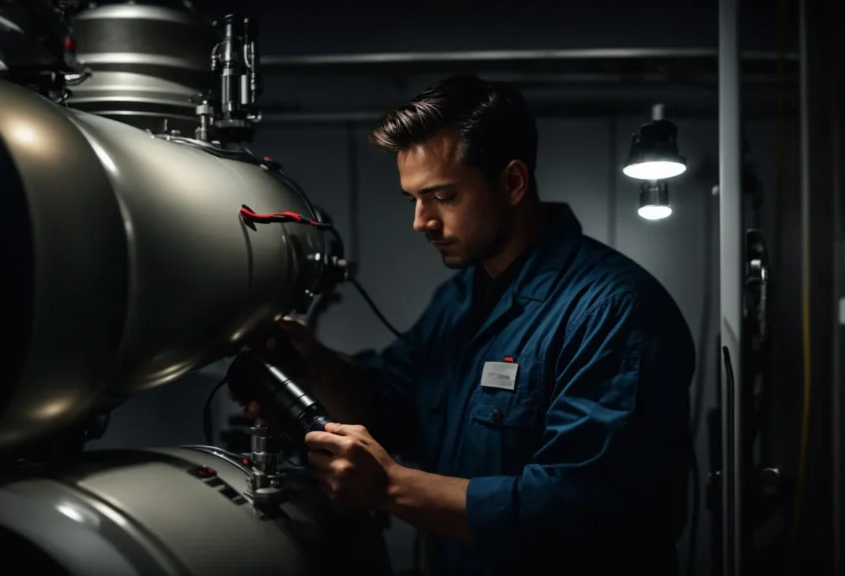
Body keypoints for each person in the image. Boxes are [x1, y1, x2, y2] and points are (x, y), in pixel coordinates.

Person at [237, 74, 696, 575]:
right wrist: (312, 363)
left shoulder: (613, 311)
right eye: (413, 198)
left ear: (513, 182)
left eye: (443, 197)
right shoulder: (459, 300)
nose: (420, 221)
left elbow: (579, 509)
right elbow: (389, 401)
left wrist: (390, 487)